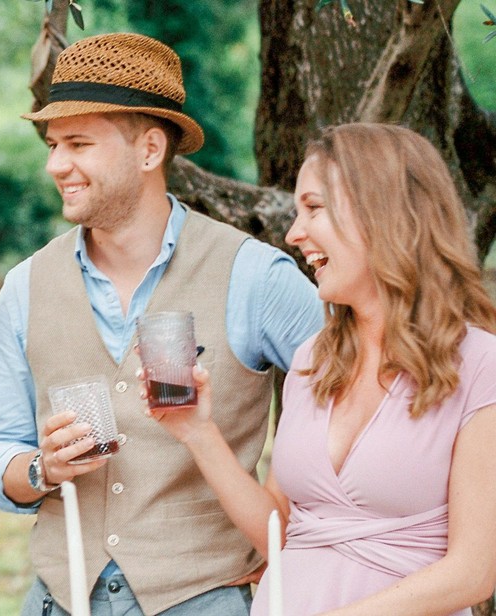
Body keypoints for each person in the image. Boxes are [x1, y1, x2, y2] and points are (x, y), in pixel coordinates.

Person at [0, 33, 324, 615]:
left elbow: (348, 403)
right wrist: (39, 468)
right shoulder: (24, 286)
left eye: (79, 143)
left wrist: (290, 522)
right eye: (54, 144)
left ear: (149, 149)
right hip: (61, 598)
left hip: (203, 599)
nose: (57, 165)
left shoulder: (256, 276)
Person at [152, 123, 496, 615]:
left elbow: (473, 573)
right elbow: (283, 531)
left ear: (384, 212)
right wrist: (197, 433)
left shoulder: (482, 365)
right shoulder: (314, 358)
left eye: (314, 208)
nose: (294, 233)